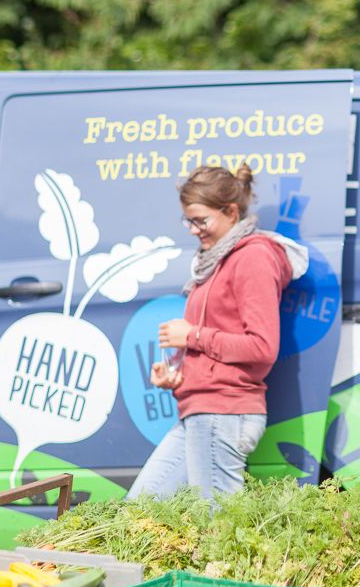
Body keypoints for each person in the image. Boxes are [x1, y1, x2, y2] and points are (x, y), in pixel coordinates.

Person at [129, 164, 308, 498]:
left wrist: (192, 336)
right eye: (188, 221)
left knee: (218, 522)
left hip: (223, 413)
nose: (193, 230)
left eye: (201, 220)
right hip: (201, 410)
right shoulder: (215, 260)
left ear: (231, 212)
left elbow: (262, 347)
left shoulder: (253, 258)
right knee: (141, 507)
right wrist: (179, 373)